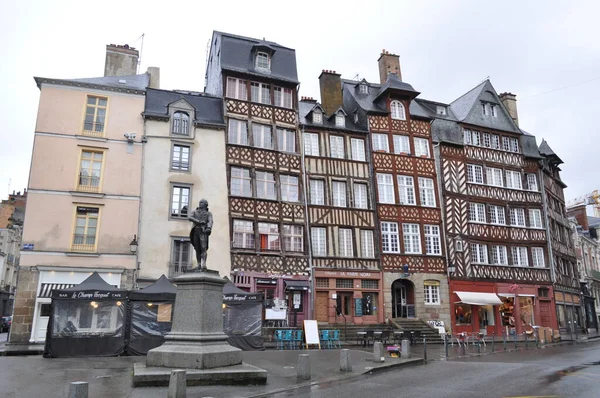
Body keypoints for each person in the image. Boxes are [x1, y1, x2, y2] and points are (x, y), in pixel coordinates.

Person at [188, 199, 213, 270]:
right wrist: (198, 221)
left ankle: (203, 264)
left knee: (203, 248)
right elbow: (190, 217)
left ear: (205, 204)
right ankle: (199, 264)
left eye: (201, 202)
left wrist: (209, 228)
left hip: (203, 231)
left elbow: (210, 221)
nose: (200, 203)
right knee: (197, 248)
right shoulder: (194, 212)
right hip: (195, 231)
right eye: (199, 202)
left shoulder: (208, 213)